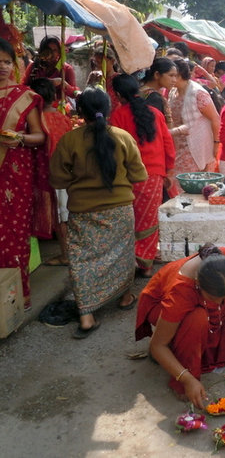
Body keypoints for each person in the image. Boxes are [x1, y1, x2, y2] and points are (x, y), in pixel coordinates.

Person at [50, 87, 147, 338]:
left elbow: (58, 179)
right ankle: (125, 297)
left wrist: (79, 178)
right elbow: (139, 175)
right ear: (108, 109)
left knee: (82, 260)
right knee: (122, 253)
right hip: (120, 209)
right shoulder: (123, 137)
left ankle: (86, 317)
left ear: (80, 112)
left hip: (83, 211)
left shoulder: (69, 140)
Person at [135, 244, 225, 408]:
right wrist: (187, 379)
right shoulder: (181, 291)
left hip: (198, 299)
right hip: (161, 307)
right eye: (215, 298)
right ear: (198, 284)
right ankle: (184, 369)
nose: (220, 304)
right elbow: (158, 345)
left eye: (224, 298)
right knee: (197, 319)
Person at [0, 38, 49, 311]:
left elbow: (40, 136)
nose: (4, 67)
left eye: (8, 61)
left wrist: (19, 138)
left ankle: (17, 298)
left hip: (15, 176)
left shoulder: (24, 96)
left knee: (14, 234)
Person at [111, 74, 175, 278]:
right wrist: (168, 171)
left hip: (130, 176)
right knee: (148, 220)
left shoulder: (118, 115)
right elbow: (168, 144)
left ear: (119, 95)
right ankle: (146, 264)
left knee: (132, 220)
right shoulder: (155, 113)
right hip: (155, 175)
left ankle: (133, 260)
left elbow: (116, 149)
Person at [31, 78, 73, 267]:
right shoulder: (63, 118)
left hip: (51, 175)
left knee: (60, 217)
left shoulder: (37, 121)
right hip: (67, 172)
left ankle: (66, 255)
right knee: (65, 215)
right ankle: (70, 252)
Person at [168, 58, 220, 195]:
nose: (171, 78)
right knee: (181, 188)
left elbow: (215, 118)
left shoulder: (198, 93)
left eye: (173, 75)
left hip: (196, 148)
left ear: (180, 75)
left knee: (191, 188)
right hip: (178, 147)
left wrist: (216, 144)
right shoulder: (173, 92)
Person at [22, 35, 79, 102]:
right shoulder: (33, 66)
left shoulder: (66, 69)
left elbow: (74, 94)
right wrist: (38, 86)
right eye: (48, 50)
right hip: (36, 108)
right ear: (42, 51)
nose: (51, 53)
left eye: (54, 50)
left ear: (59, 52)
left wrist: (63, 83)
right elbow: (22, 88)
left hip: (58, 110)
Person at [140, 57, 177, 127]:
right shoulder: (154, 98)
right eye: (171, 75)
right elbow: (155, 129)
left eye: (175, 76)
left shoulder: (141, 90)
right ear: (157, 75)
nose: (174, 80)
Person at [87, 43, 121, 111]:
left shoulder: (119, 79)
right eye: (96, 62)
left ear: (112, 61)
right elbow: (87, 96)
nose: (98, 66)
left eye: (100, 62)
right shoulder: (94, 76)